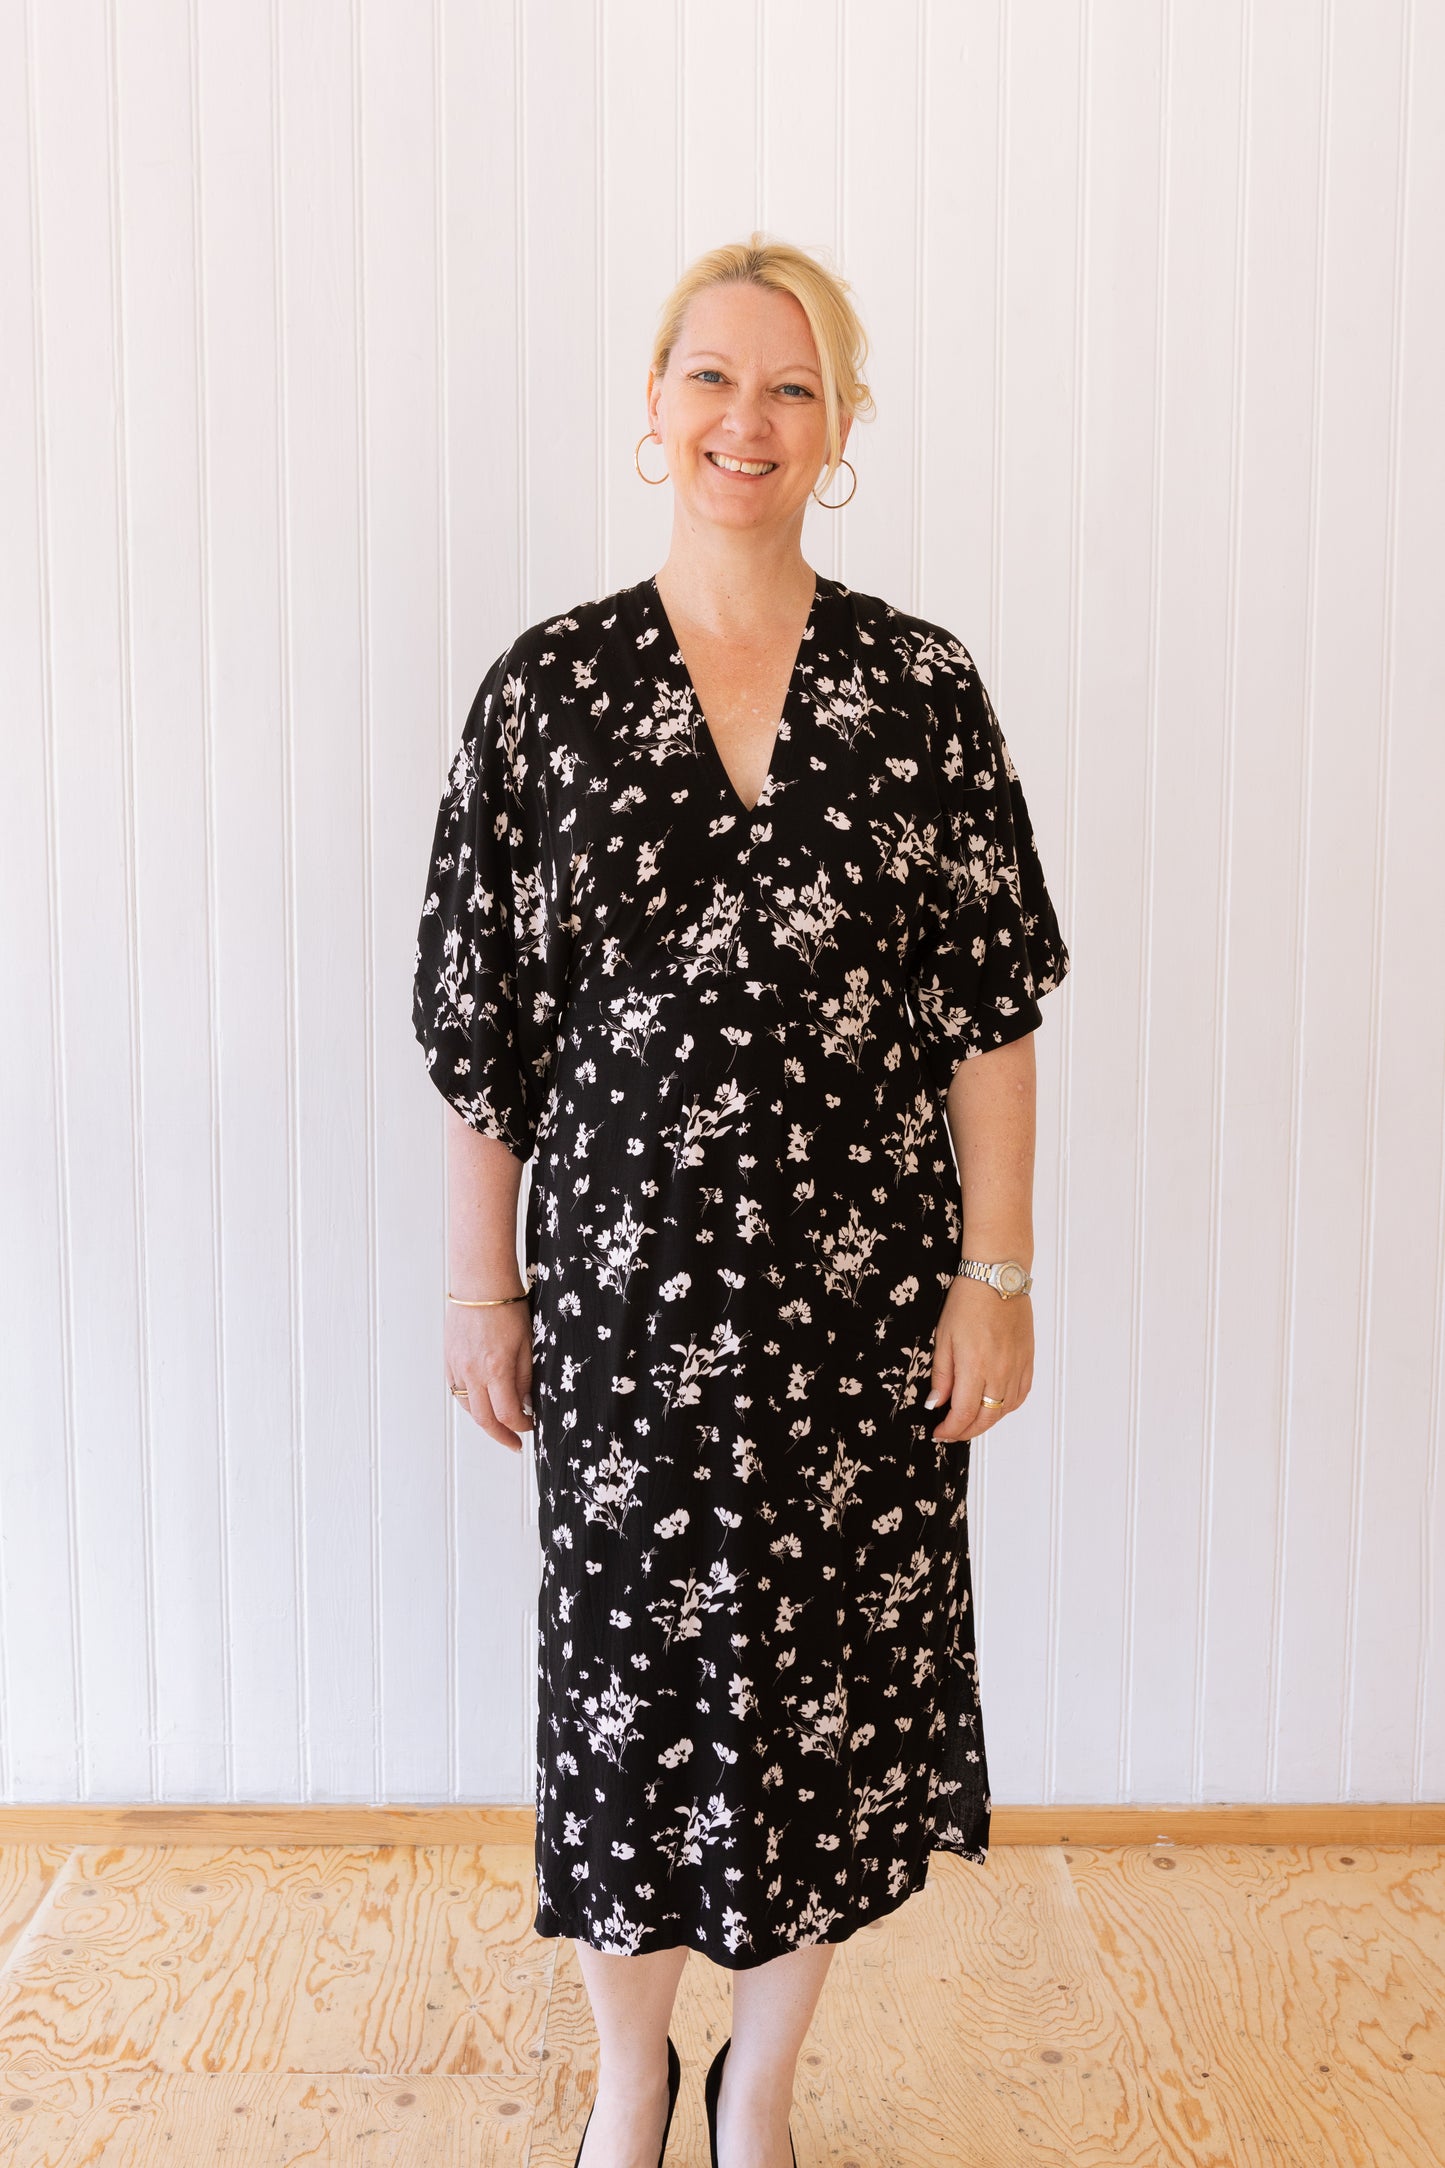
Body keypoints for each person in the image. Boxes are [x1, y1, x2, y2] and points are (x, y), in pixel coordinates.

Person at [412, 232, 1071, 2168]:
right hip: (621, 1305)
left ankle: (761, 2085)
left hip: (863, 1303)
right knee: (629, 1689)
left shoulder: (919, 685)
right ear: (651, 405)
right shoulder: (548, 688)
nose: (746, 419)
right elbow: (481, 1030)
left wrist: (997, 1273)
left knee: (833, 1686)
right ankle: (633, 2077)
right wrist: (484, 1291)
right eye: (711, 377)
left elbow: (992, 1014)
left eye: (791, 386)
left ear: (844, 427)